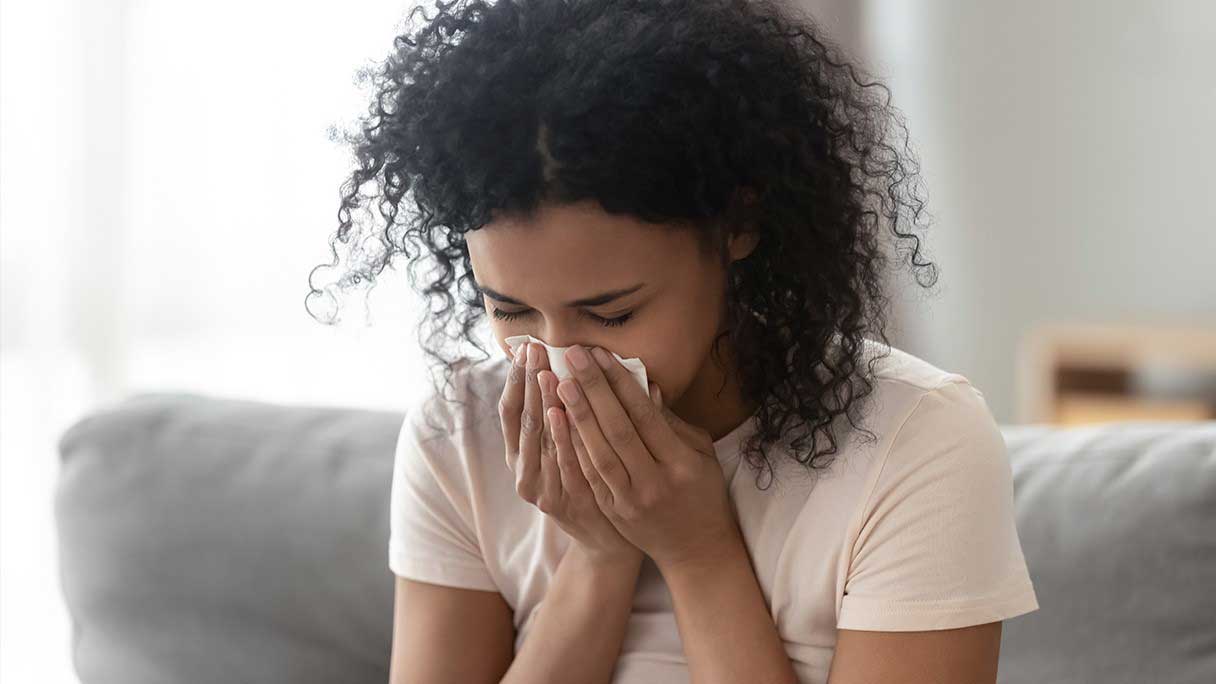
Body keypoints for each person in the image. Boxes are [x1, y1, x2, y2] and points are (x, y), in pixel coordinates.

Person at [308, 1, 1040, 682]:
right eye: (511, 312)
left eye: (612, 315)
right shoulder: (457, 435)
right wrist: (599, 556)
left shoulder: (915, 440)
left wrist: (700, 554)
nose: (561, 364)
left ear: (739, 226)